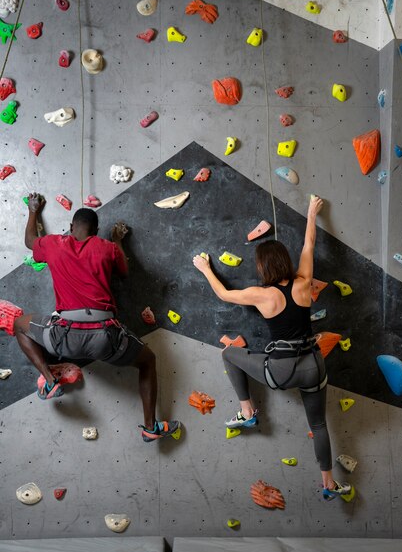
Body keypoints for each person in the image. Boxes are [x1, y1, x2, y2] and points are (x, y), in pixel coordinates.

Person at [193, 196, 351, 500]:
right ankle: (328, 484)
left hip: (280, 371)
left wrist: (205, 268)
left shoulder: (262, 295)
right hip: (313, 367)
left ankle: (247, 411)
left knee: (229, 353)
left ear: (264, 267)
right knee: (318, 425)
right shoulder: (303, 283)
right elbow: (309, 245)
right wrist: (311, 213)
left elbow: (225, 295)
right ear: (284, 262)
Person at [14, 193, 180, 443]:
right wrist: (117, 241)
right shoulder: (108, 248)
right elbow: (124, 271)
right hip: (105, 337)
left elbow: (30, 241)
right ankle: (149, 427)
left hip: (65, 336)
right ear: (96, 230)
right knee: (148, 361)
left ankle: (50, 381)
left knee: (19, 325)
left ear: (71, 228)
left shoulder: (55, 243)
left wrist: (34, 210)